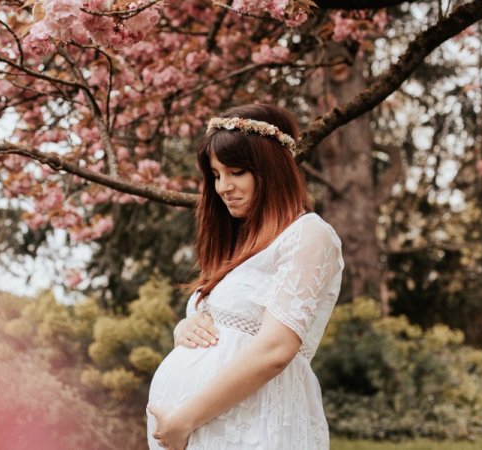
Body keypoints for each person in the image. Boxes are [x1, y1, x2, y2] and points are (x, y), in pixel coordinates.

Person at [146, 103, 344, 450]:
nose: (224, 187)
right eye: (217, 175)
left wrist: (184, 421)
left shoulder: (308, 235)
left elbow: (275, 349)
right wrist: (185, 329)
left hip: (255, 426)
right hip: (212, 429)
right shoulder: (240, 243)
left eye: (236, 172)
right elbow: (230, 327)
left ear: (271, 170)